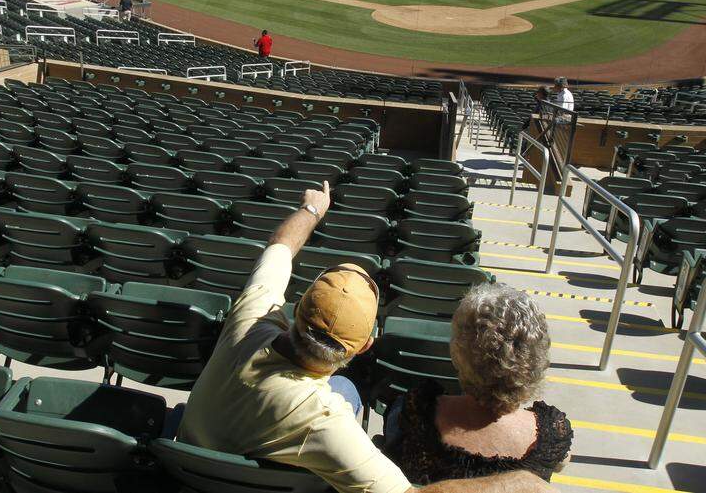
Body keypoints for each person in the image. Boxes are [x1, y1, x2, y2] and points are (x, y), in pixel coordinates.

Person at [178, 183, 555, 493]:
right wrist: (521, 481)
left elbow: (280, 246)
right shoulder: (320, 418)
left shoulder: (249, 318)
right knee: (345, 389)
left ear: (296, 310)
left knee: (343, 386)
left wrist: (312, 209)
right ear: (364, 346)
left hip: (188, 472)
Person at [384, 285, 572, 484]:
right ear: (536, 359)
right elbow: (562, 461)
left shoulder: (415, 413)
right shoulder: (551, 437)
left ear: (459, 353)